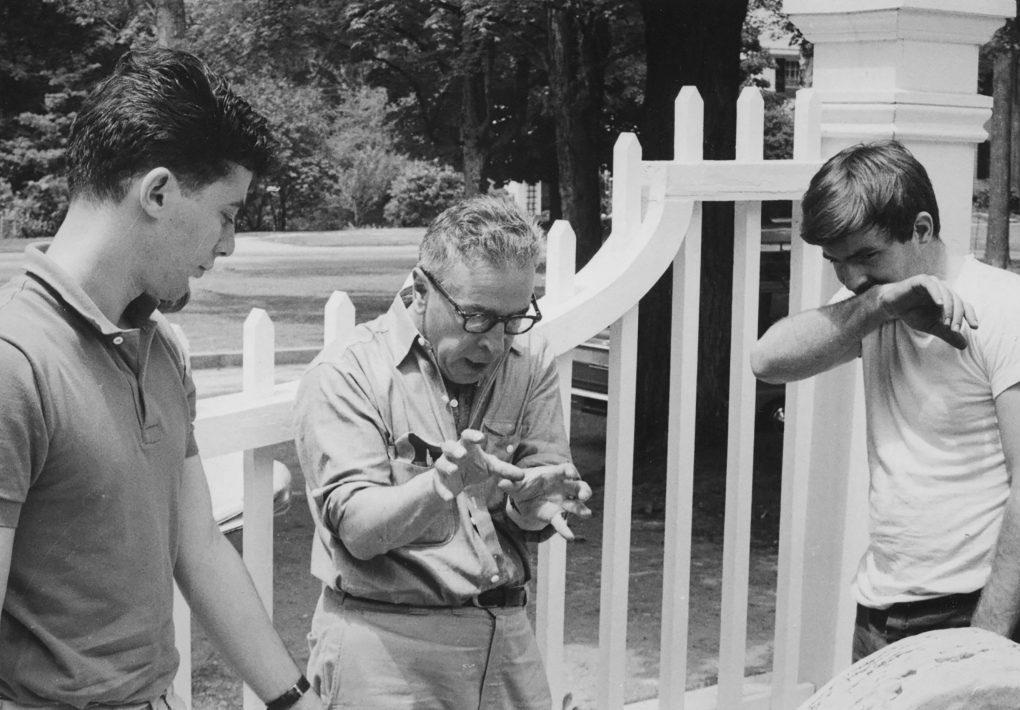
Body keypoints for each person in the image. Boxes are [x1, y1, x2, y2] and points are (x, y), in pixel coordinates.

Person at [0, 48, 318, 709]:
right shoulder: (15, 361)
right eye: (228, 214)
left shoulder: (161, 349)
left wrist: (295, 701)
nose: (228, 245)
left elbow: (199, 547)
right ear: (159, 192)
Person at [293, 194, 592, 709]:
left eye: (514, 318)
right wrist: (439, 485)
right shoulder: (347, 372)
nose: (496, 343)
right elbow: (359, 532)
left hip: (505, 637)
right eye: (477, 318)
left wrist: (534, 505)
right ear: (419, 290)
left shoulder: (530, 357)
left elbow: (537, 494)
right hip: (383, 647)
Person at [750, 139, 1020, 662]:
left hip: (976, 612)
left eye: (867, 256)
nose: (851, 278)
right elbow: (768, 361)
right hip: (882, 611)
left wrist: (985, 643)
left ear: (921, 229)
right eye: (836, 262)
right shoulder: (874, 301)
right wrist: (880, 304)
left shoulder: (1006, 308)